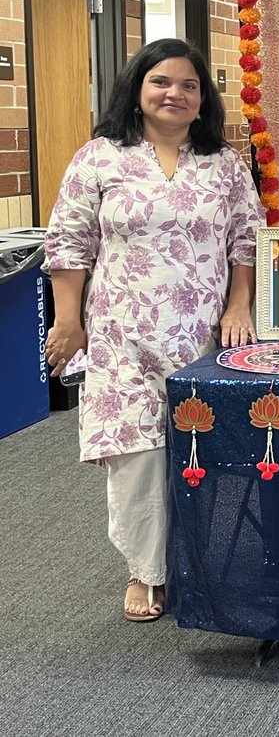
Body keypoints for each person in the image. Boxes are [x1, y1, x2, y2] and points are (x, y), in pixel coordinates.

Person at [42, 38, 266, 623]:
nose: (175, 93)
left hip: (204, 335)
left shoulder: (225, 164)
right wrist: (69, 321)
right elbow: (68, 243)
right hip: (122, 332)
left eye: (189, 85)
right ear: (138, 91)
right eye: (162, 82)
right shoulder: (100, 158)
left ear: (203, 98)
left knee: (199, 446)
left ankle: (201, 558)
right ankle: (147, 570)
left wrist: (238, 308)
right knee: (138, 452)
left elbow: (247, 243)